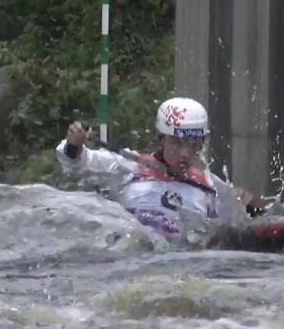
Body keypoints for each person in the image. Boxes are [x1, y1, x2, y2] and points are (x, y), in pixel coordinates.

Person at [56, 97, 264, 239]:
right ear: (160, 137)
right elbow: (77, 162)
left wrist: (248, 203)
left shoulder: (209, 185)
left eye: (193, 144)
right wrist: (74, 144)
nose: (185, 153)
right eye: (177, 143)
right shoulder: (129, 166)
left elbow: (243, 224)